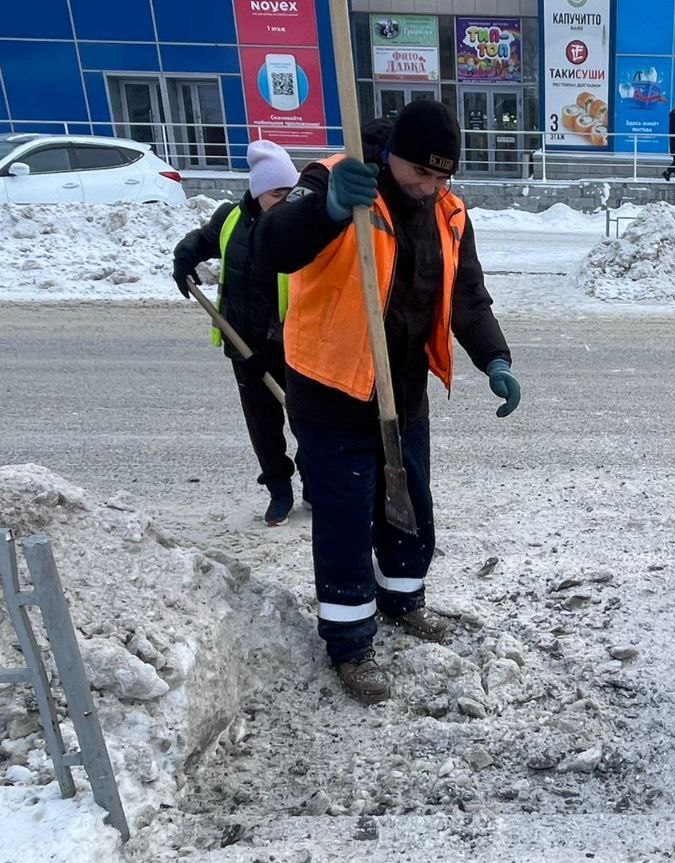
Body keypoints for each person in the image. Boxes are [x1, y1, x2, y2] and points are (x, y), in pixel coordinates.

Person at [253, 100, 521, 704]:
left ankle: (403, 599)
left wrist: (494, 359)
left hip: (403, 387)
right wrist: (324, 208)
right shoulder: (338, 178)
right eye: (420, 174)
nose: (430, 187)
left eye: (442, 177)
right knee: (347, 513)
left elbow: (468, 296)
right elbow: (273, 246)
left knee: (409, 501)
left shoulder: (449, 211)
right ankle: (350, 643)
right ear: (392, 154)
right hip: (332, 385)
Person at [173, 139, 301, 526]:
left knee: (308, 421)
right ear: (259, 192)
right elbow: (203, 241)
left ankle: (315, 483)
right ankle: (279, 489)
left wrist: (275, 343)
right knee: (263, 426)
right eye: (277, 193)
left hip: (292, 347)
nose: (284, 200)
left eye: (289, 192)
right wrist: (184, 257)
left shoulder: (299, 224)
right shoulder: (229, 218)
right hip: (242, 343)